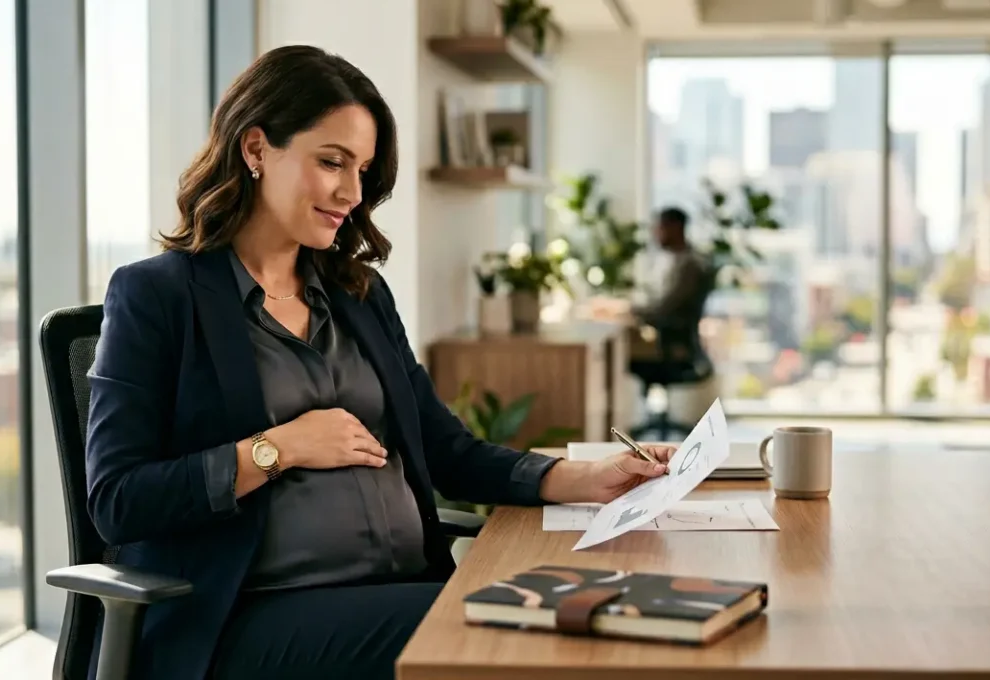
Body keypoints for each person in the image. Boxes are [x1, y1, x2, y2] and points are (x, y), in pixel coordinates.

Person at [84, 45, 676, 680]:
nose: (351, 191)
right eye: (332, 162)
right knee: (530, 639)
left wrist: (576, 478)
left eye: (362, 169)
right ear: (256, 149)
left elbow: (445, 447)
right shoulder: (158, 296)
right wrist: (275, 448)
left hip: (396, 592)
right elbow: (118, 501)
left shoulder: (356, 294)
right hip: (249, 620)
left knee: (594, 605)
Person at [632, 206, 712, 331]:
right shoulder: (667, 259)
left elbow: (666, 308)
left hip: (675, 341)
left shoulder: (689, 265)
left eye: (659, 228)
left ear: (675, 227)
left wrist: (631, 310)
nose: (655, 233)